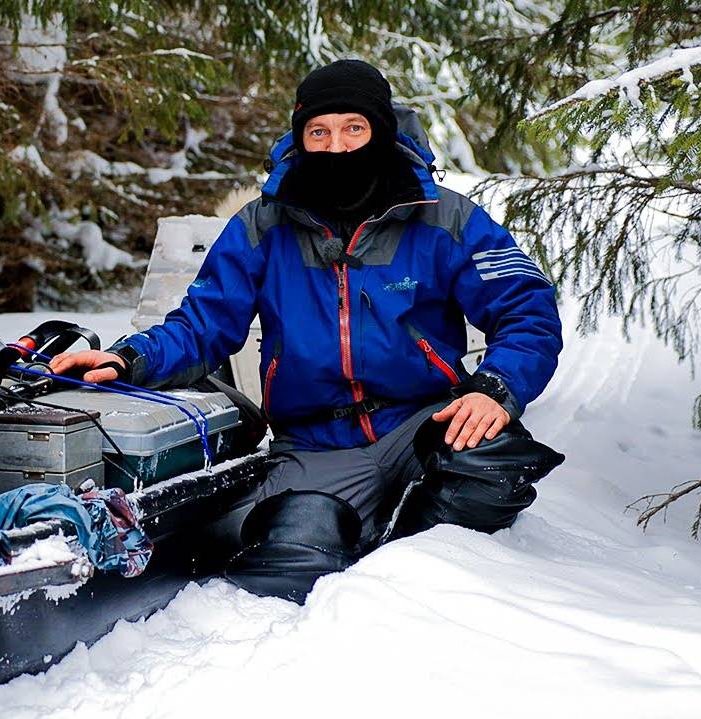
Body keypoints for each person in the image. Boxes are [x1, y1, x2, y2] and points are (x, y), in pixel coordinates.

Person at [49, 59, 564, 603]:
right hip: (316, 444)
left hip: (419, 426)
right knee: (297, 548)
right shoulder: (263, 224)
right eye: (319, 132)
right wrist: (130, 359)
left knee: (492, 462)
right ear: (300, 136)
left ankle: (409, 566)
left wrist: (496, 389)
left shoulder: (446, 218)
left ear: (382, 131)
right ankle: (341, 544)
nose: (337, 146)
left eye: (353, 129)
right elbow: (203, 325)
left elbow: (527, 311)